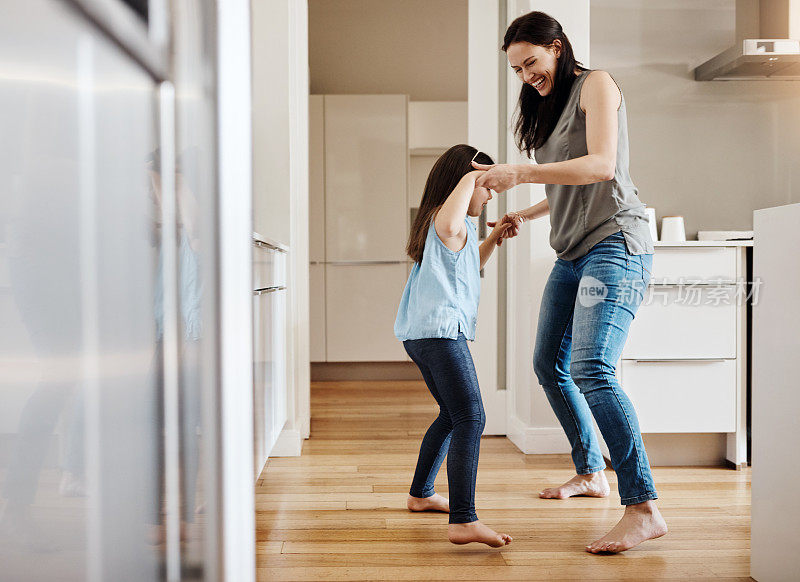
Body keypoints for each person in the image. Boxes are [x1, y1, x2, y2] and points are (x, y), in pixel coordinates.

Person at [473, 11, 668, 554]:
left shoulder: (596, 84)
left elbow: (602, 166)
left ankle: (644, 507)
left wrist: (521, 172)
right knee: (547, 363)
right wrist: (527, 215)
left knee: (591, 367)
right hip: (573, 252)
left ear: (556, 47)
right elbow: (569, 182)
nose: (526, 76)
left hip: (616, 245)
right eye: (517, 70)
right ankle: (590, 471)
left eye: (531, 62)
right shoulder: (551, 105)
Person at [394, 144, 513, 548]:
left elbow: (463, 266)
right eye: (488, 186)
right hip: (441, 334)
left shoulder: (450, 225)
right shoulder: (448, 220)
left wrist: (494, 238)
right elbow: (451, 228)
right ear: (470, 180)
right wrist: (472, 176)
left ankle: (421, 494)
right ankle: (464, 519)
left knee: (452, 413)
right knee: (472, 417)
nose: (490, 194)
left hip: (423, 334)